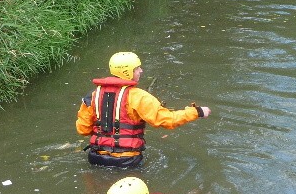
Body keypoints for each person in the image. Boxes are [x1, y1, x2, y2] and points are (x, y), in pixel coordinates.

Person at [76, 51, 211, 168]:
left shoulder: (93, 95)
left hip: (95, 158)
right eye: (137, 68)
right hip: (126, 161)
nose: (141, 71)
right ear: (127, 72)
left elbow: (83, 130)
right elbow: (168, 120)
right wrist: (197, 112)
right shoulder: (139, 96)